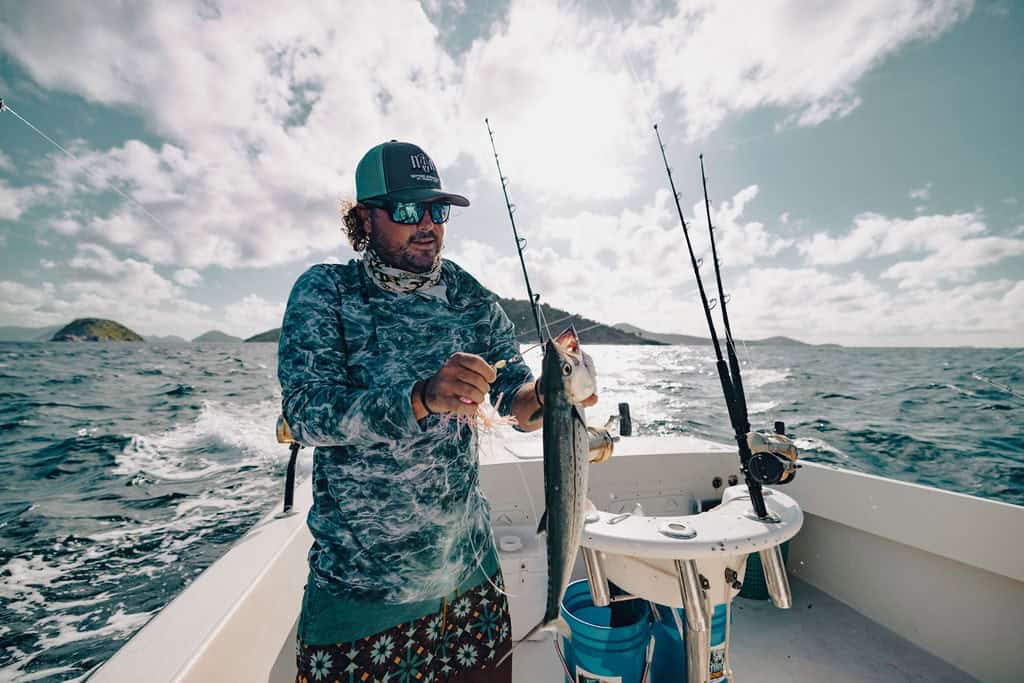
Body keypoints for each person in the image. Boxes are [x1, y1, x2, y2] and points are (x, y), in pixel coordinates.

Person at [278, 140, 596, 682]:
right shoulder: (326, 292)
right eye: (406, 210)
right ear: (364, 219)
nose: (426, 224)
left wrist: (549, 393)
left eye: (436, 209)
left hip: (471, 582)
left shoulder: (469, 298)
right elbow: (307, 412)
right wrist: (420, 396)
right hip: (363, 600)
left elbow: (515, 399)